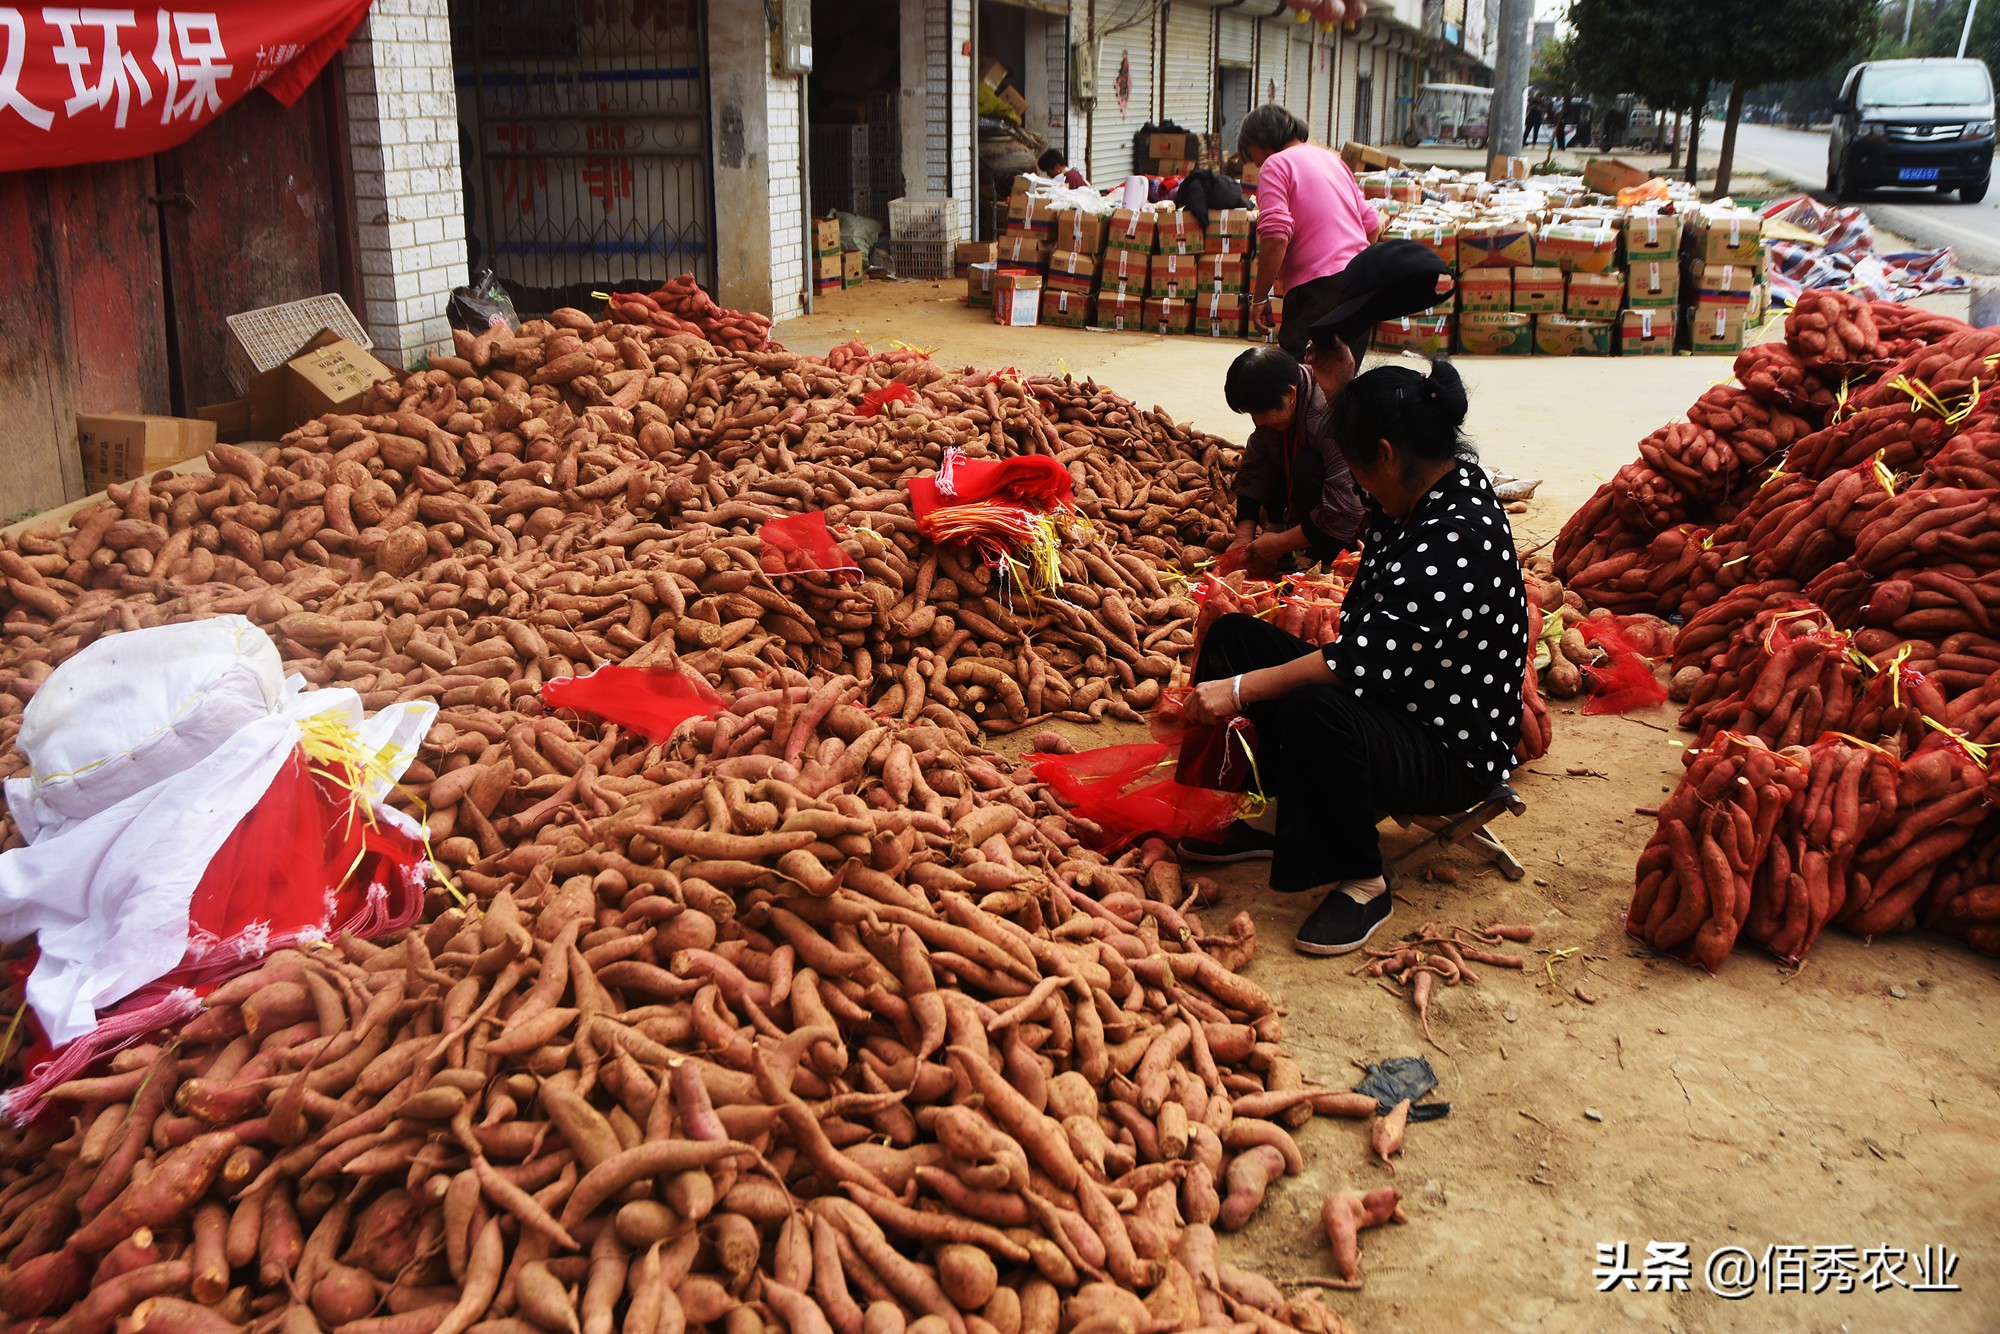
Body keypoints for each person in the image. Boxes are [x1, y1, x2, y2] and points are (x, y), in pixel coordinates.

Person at [1179, 358, 1529, 955]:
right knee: (1234, 638)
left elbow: (1356, 664)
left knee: (1316, 704)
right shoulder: (1418, 497)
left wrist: (1238, 693)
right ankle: (1270, 819)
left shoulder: (1456, 532)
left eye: (1362, 471)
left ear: (1386, 455)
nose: (1360, 488)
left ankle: (1364, 880)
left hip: (1450, 744)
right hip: (1402, 697)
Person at [1225, 240, 1456, 572]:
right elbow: (1257, 465)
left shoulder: (1330, 420)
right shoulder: (1293, 404)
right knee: (1276, 449)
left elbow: (1347, 507)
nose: (1258, 421)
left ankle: (1330, 549)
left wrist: (1282, 542)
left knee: (1308, 466)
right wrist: (1245, 534)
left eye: (1260, 412)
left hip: (1352, 529)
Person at [1236, 105, 1381, 358]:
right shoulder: (1332, 160)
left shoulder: (1275, 165)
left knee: (1300, 386)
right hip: (1360, 288)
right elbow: (1371, 224)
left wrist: (1259, 298)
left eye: (1250, 153)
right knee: (1339, 385)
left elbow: (1275, 237)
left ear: (1260, 139)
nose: (1255, 162)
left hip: (1320, 291)